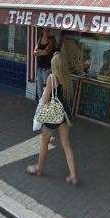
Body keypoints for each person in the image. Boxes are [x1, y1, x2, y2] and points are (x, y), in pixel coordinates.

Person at [27, 52, 79, 185]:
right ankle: (73, 175)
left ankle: (39, 168)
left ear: (54, 64)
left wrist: (44, 92)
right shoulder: (66, 77)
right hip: (63, 114)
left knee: (44, 142)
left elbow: (45, 99)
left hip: (52, 115)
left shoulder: (52, 78)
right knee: (66, 145)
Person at [33, 28, 56, 100]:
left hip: (47, 69)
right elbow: (34, 53)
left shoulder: (52, 40)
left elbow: (46, 51)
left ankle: (46, 106)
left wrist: (39, 52)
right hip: (39, 68)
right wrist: (40, 52)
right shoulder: (40, 39)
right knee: (39, 88)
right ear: (42, 31)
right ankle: (40, 106)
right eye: (45, 30)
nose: (47, 32)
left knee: (46, 90)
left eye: (48, 30)